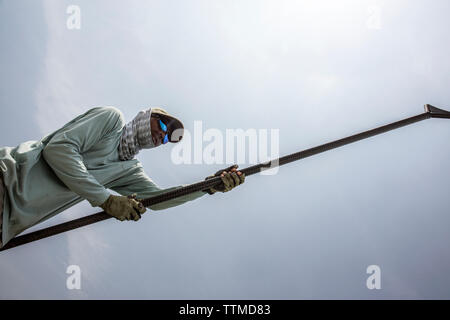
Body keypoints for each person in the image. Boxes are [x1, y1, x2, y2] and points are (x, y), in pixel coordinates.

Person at [0, 106, 245, 248]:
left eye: (169, 138)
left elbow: (160, 200)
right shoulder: (111, 120)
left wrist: (209, 186)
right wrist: (106, 200)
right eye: (163, 126)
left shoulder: (128, 169)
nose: (164, 137)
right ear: (147, 115)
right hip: (5, 179)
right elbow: (58, 149)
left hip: (8, 225)